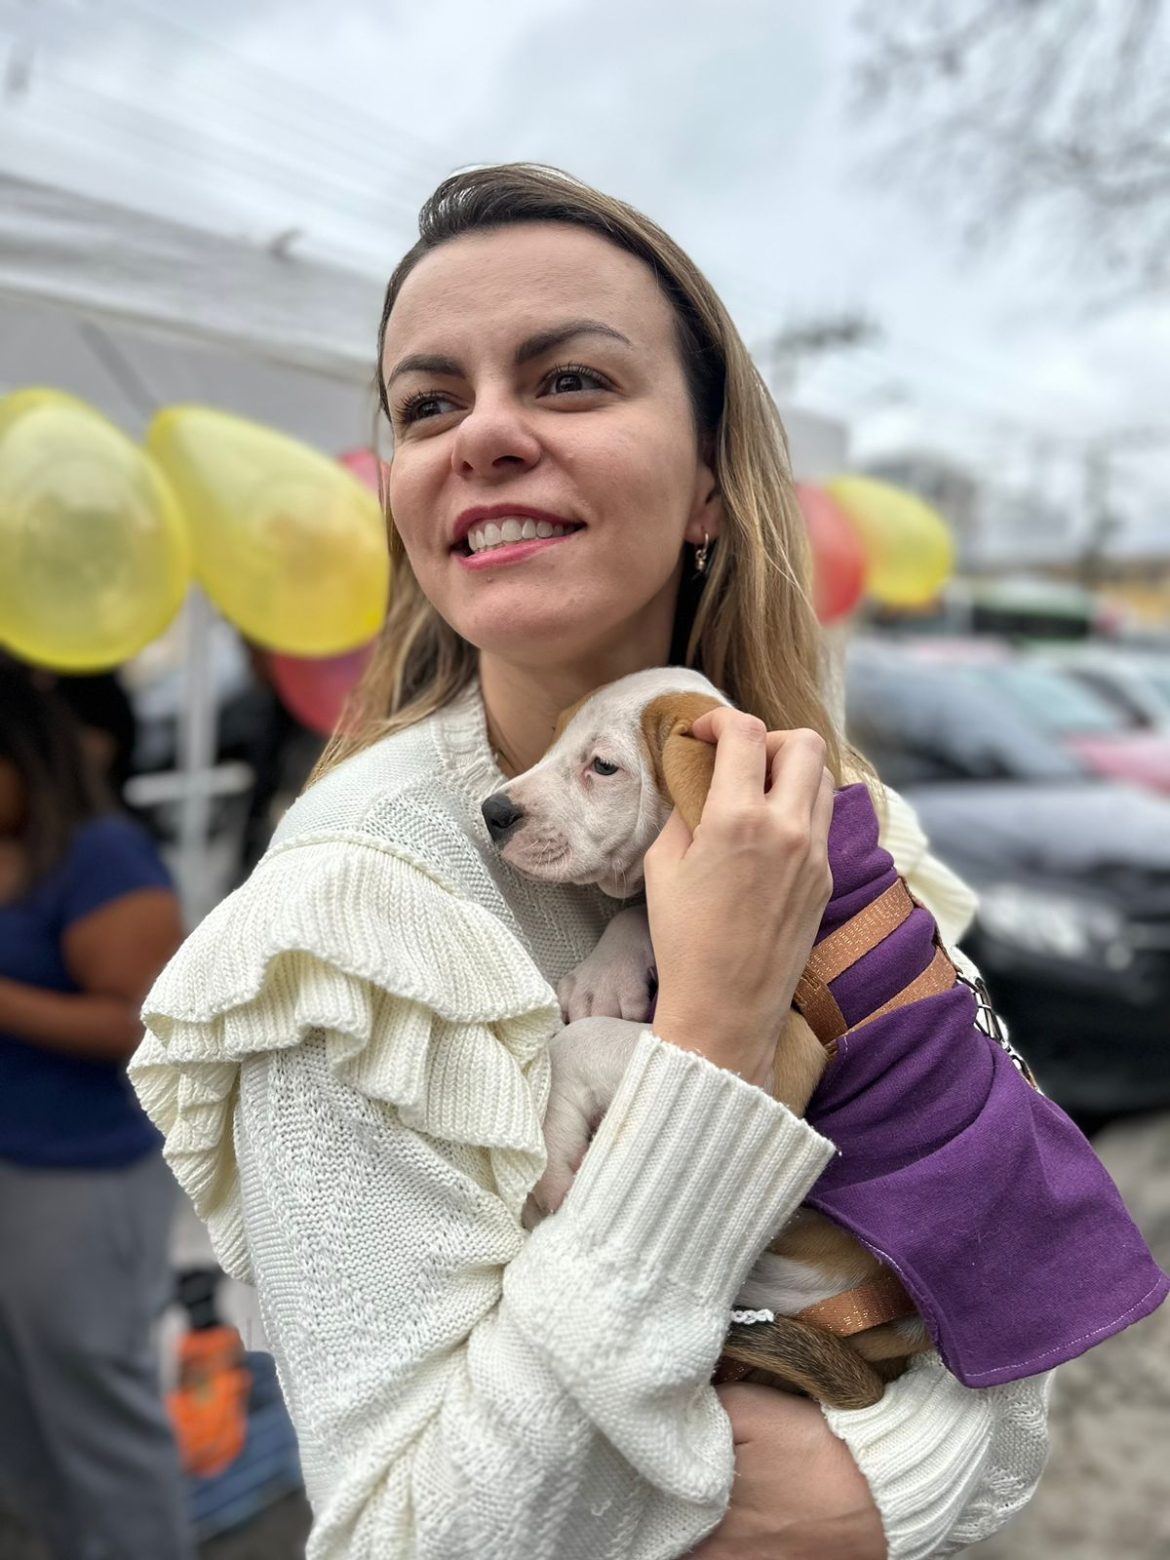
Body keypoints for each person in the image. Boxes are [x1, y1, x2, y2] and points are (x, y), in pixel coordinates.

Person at [129, 164, 1052, 1559]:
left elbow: (1026, 1291)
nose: (481, 431)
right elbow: (410, 1540)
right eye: (428, 403)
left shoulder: (841, 818)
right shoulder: (341, 929)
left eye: (566, 380)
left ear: (705, 485)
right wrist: (713, 1036)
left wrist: (871, 1495)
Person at [0, 657, 195, 1560]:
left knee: (96, 1413)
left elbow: (143, 1024)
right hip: (15, 1162)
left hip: (82, 1174)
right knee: (21, 1414)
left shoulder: (100, 854)